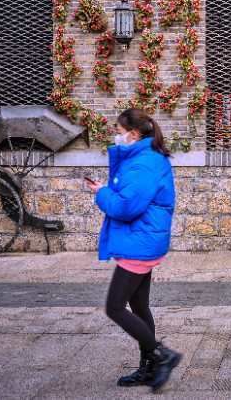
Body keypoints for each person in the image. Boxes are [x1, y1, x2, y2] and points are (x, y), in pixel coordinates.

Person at [84, 108, 182, 391]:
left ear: (134, 134)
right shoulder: (144, 157)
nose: (117, 135)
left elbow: (126, 207)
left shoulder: (143, 163)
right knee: (139, 306)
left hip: (139, 242)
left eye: (119, 129)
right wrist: (105, 186)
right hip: (143, 238)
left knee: (115, 307)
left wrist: (101, 193)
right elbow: (129, 195)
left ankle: (163, 356)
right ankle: (149, 368)